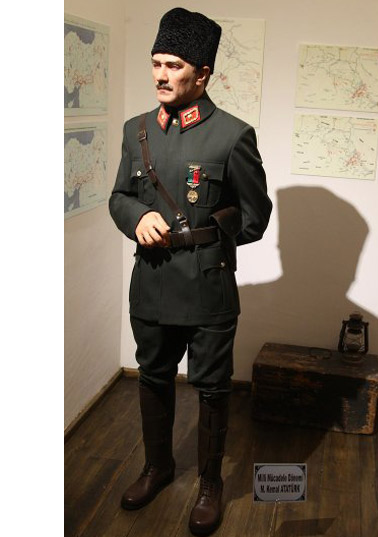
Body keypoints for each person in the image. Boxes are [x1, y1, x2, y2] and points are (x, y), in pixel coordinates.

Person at [109, 7, 272, 535]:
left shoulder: (232, 135)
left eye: (173, 65)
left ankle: (210, 484)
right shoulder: (137, 130)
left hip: (207, 285)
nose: (161, 75)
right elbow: (119, 197)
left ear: (202, 74)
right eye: (156, 63)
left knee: (213, 388)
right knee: (152, 377)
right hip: (152, 280)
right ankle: (156, 468)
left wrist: (203, 235)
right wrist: (138, 218)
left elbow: (255, 216)